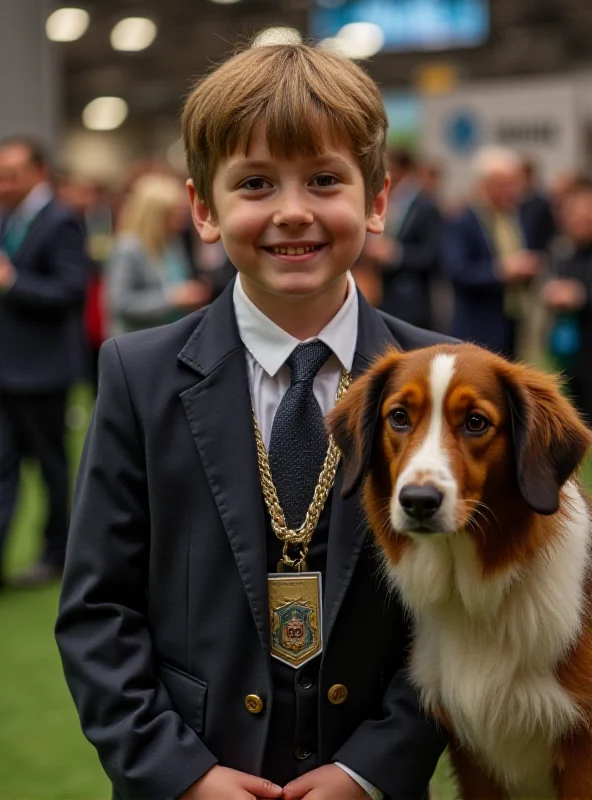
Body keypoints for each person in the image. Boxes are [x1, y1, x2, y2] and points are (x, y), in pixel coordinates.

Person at [56, 44, 450, 800]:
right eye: (257, 183)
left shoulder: (441, 373)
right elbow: (97, 611)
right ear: (204, 208)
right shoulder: (138, 376)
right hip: (193, 774)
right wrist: (182, 774)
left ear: (377, 200)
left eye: (326, 180)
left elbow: (471, 621)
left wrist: (371, 769)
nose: (293, 210)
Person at [0, 137, 88, 590]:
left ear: (38, 172)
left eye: (11, 175)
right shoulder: (6, 218)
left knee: (52, 468)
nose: (3, 184)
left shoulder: (61, 221)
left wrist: (13, 282)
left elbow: (71, 291)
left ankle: (57, 553)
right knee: (3, 465)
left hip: (43, 371)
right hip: (6, 369)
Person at [443, 146, 543, 359]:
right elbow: (457, 271)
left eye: (514, 183)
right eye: (504, 184)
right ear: (485, 185)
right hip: (478, 328)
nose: (512, 191)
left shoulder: (517, 218)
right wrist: (501, 271)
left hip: (512, 323)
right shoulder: (464, 221)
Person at [106, 173, 211, 336]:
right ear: (156, 215)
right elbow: (120, 304)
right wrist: (173, 299)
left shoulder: (172, 242)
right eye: (175, 214)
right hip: (139, 340)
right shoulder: (128, 248)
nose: (182, 219)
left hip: (171, 335)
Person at [362, 148, 442, 330]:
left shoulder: (425, 206)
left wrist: (395, 254)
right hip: (382, 297)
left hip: (412, 303)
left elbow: (434, 256)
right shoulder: (386, 201)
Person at [541, 182, 592, 422]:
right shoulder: (565, 250)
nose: (578, 223)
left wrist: (580, 295)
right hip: (571, 342)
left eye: (585, 218)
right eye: (574, 217)